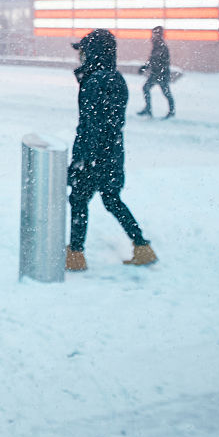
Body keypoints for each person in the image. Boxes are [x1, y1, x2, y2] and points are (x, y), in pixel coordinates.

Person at [66, 29, 157, 271]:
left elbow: (89, 125)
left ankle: (75, 254)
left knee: (78, 200)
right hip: (112, 151)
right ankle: (142, 246)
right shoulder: (116, 78)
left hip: (93, 154)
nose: (80, 57)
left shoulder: (94, 82)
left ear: (93, 53)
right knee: (111, 199)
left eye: (83, 52)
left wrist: (81, 160)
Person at [137, 25, 175, 118]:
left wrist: (156, 70)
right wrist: (145, 67)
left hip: (161, 74)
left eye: (155, 33)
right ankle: (148, 109)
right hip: (156, 73)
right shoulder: (156, 45)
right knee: (146, 88)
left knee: (166, 92)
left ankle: (171, 111)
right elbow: (152, 60)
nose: (152, 36)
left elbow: (158, 61)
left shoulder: (161, 46)